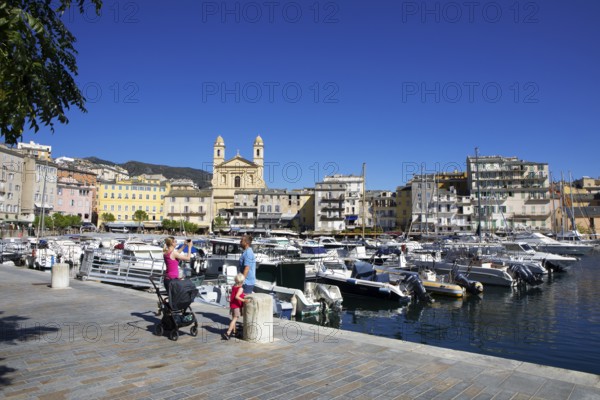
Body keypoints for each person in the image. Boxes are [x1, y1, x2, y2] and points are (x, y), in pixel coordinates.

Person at [223, 273, 249, 340]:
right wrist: (244, 300)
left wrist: (243, 294)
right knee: (235, 319)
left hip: (232, 305)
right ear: (242, 282)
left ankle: (235, 332)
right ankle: (228, 333)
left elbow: (236, 294)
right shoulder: (240, 288)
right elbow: (237, 296)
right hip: (236, 306)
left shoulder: (234, 286)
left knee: (233, 319)